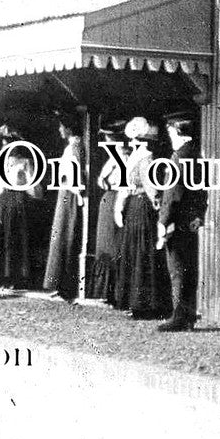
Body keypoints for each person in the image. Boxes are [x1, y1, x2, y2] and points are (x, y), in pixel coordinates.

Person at [112, 116, 170, 318]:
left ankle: (142, 303)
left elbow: (149, 186)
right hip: (140, 206)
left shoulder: (143, 158)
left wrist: (155, 204)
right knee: (141, 251)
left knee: (139, 251)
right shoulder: (144, 157)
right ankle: (141, 302)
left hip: (138, 205)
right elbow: (151, 188)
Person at [156, 113, 208, 332]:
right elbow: (202, 192)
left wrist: (163, 220)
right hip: (191, 222)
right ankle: (188, 315)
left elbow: (172, 195)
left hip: (176, 221)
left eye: (170, 132)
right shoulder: (197, 156)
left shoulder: (177, 158)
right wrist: (198, 215)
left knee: (177, 268)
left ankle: (179, 316)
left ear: (176, 132)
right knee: (189, 268)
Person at [0, 126, 38, 289]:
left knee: (15, 239)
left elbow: (33, 186)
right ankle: (2, 277)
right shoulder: (2, 162)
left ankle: (17, 278)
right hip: (5, 200)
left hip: (18, 200)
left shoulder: (25, 162)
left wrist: (25, 189)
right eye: (5, 143)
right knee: (4, 239)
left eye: (9, 143)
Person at [42, 113, 85, 301]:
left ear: (68, 128)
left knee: (65, 236)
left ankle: (66, 287)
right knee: (60, 237)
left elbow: (76, 174)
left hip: (69, 195)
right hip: (66, 193)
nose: (60, 130)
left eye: (62, 126)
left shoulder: (74, 147)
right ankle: (60, 285)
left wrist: (76, 192)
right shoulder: (72, 147)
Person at [88, 119, 127, 305]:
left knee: (113, 246)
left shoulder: (124, 158)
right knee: (105, 246)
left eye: (108, 138)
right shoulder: (113, 158)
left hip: (115, 202)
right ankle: (106, 292)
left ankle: (114, 293)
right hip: (107, 203)